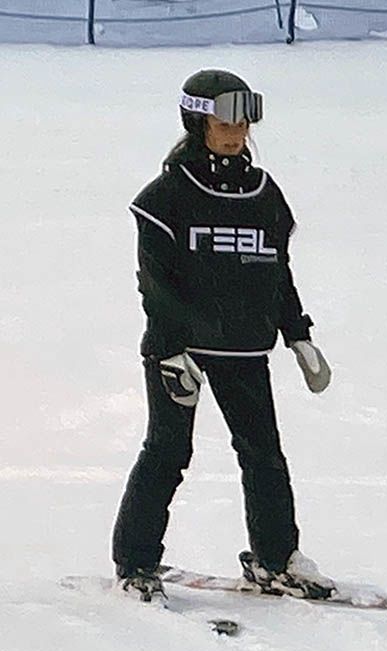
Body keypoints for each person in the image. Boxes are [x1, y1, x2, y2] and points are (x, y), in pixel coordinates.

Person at [112, 69, 335, 602]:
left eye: (242, 119)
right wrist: (169, 348)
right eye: (222, 118)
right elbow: (154, 282)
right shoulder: (168, 196)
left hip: (244, 346)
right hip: (182, 348)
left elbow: (275, 271)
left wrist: (298, 333)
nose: (235, 130)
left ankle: (276, 559)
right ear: (197, 120)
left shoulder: (263, 194)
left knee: (264, 454)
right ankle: (136, 561)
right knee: (168, 451)